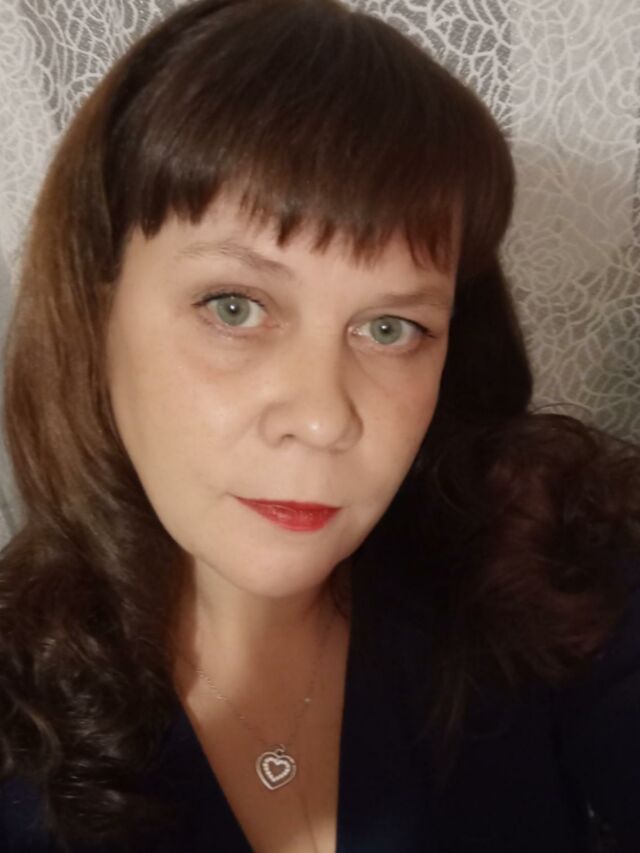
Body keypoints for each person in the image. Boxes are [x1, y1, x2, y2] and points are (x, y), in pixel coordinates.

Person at [0, 0, 638, 850]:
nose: (321, 416)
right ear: (95, 316)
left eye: (390, 327)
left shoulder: (544, 560)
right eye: (235, 306)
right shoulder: (20, 706)